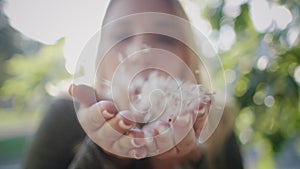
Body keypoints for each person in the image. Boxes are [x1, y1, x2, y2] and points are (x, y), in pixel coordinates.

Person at [22, 0, 244, 169]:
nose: (140, 52)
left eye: (163, 37)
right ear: (101, 55)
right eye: (121, 36)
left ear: (187, 56)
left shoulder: (219, 123)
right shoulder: (64, 117)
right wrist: (103, 157)